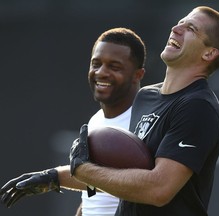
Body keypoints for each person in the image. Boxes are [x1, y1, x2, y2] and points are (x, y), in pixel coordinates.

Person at [69, 6, 219, 216]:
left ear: (209, 53)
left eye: (191, 29)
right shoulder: (145, 96)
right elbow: (126, 178)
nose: (176, 28)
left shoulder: (198, 107)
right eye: (180, 22)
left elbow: (159, 190)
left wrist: (84, 170)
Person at [0, 27, 146, 216]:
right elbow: (92, 194)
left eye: (114, 66)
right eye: (96, 64)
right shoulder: (96, 121)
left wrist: (56, 177)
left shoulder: (147, 120)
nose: (101, 72)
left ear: (138, 75)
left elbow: (150, 186)